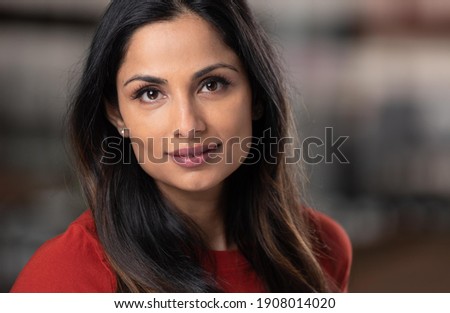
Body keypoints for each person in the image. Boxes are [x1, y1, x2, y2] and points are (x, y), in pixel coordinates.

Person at [11, 0, 351, 292]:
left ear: (257, 96)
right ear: (116, 114)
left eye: (212, 84)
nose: (188, 126)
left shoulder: (320, 249)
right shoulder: (66, 278)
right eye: (150, 93)